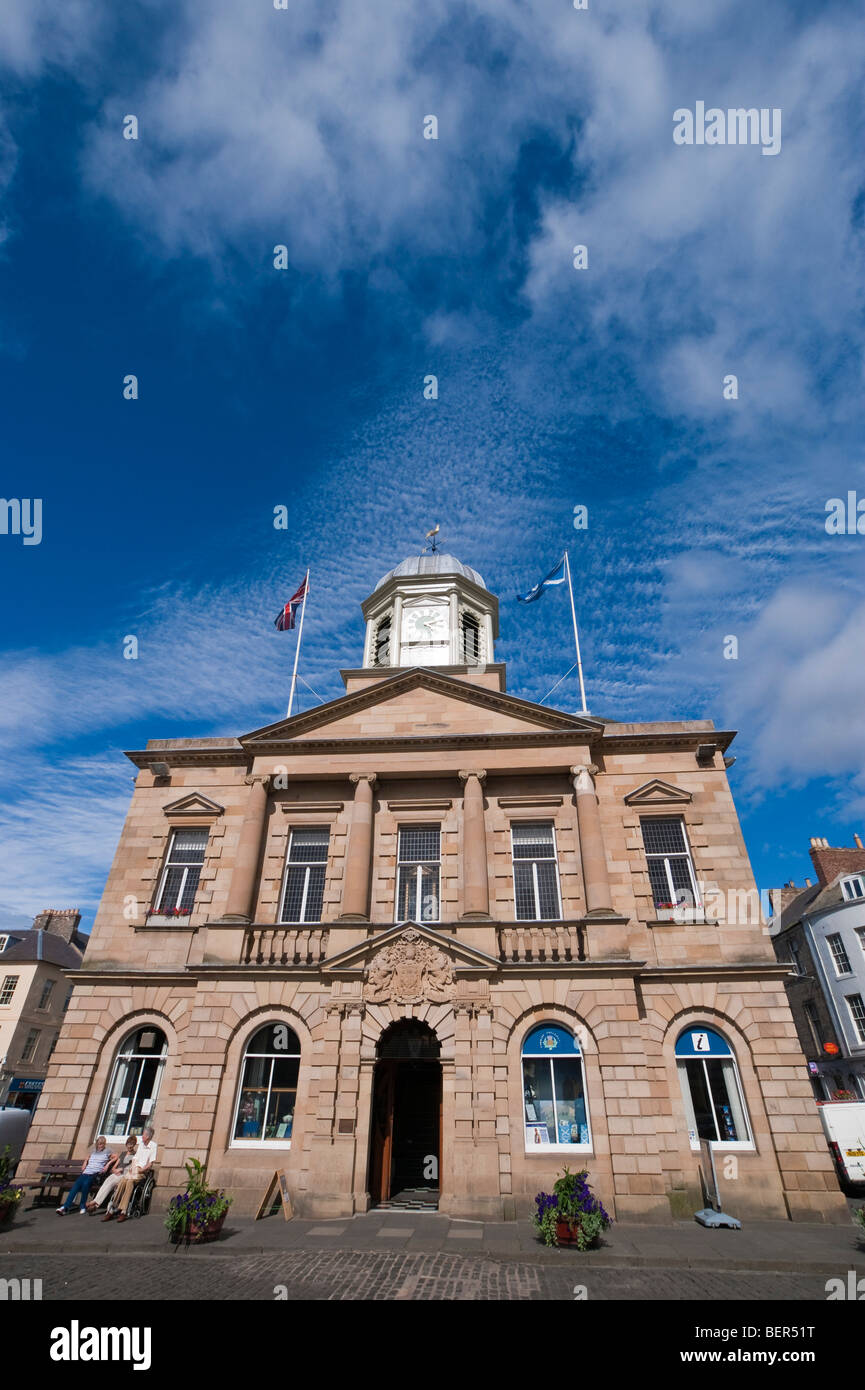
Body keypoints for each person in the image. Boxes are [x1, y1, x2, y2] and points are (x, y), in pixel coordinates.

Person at [102, 1125, 157, 1222]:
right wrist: (132, 1168)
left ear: (148, 1136)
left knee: (129, 1182)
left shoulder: (153, 1146)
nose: (142, 1136)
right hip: (134, 1168)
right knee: (123, 1181)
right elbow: (135, 1158)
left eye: (143, 1135)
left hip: (142, 1171)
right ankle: (112, 1209)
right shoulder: (141, 1145)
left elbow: (150, 1163)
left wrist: (141, 1170)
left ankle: (123, 1211)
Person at [56, 1136, 113, 1214]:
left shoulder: (107, 1151)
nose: (101, 1146)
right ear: (97, 1144)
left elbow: (116, 1157)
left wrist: (107, 1164)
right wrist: (85, 1162)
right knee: (76, 1186)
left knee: (86, 1184)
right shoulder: (94, 1151)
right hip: (86, 1172)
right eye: (99, 1144)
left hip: (95, 1174)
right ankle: (65, 1207)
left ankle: (82, 1206)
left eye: (102, 1144)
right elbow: (87, 1157)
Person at [86, 1136, 137, 1214]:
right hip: (116, 1173)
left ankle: (95, 1203)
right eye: (129, 1144)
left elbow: (131, 1167)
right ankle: (96, 1203)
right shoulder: (123, 1153)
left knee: (110, 1184)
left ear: (134, 1145)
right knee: (106, 1182)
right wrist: (114, 1170)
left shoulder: (134, 1154)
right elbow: (115, 1166)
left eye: (132, 1144)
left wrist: (121, 1169)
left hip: (124, 1175)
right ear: (126, 1144)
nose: (130, 1146)